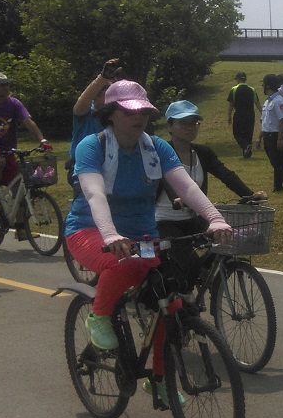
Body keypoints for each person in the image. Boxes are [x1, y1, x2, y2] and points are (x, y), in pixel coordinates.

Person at [64, 81, 231, 350]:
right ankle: (99, 316)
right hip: (89, 230)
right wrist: (110, 233)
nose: (138, 117)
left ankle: (160, 383)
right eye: (129, 113)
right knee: (123, 263)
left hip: (141, 237)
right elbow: (95, 194)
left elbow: (186, 186)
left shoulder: (156, 148)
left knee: (170, 305)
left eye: (142, 112)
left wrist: (214, 217)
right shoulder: (92, 146)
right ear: (109, 113)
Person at [156, 100, 264, 282]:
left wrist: (250, 194)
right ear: (170, 126)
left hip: (195, 218)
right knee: (191, 263)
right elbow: (164, 180)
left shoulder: (202, 152)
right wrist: (176, 197)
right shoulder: (161, 153)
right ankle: (185, 299)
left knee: (228, 240)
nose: (190, 128)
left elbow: (225, 174)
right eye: (184, 123)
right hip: (165, 221)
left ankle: (202, 278)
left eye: (194, 123)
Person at [0, 71, 49, 196]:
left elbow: (28, 122)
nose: (6, 88)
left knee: (19, 187)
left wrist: (42, 140)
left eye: (7, 84)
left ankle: (18, 211)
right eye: (2, 85)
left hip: (7, 148)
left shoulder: (14, 103)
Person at [70, 58, 125, 183]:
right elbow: (82, 101)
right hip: (84, 170)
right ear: (97, 95)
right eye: (109, 93)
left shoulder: (116, 115)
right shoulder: (85, 114)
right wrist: (103, 78)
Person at [260, 74, 283, 193]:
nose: (262, 86)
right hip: (267, 134)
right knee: (275, 162)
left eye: (263, 84)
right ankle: (278, 186)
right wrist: (260, 137)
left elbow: (282, 120)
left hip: (275, 135)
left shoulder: (278, 101)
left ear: (268, 86)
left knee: (278, 163)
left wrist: (280, 139)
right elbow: (264, 120)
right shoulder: (268, 101)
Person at [226, 72, 259, 158]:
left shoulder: (234, 89)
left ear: (237, 79)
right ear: (245, 79)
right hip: (250, 114)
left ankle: (245, 147)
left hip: (239, 114)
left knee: (237, 133)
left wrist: (229, 115)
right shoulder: (252, 89)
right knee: (248, 133)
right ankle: (247, 153)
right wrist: (263, 114)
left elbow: (231, 104)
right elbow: (257, 103)